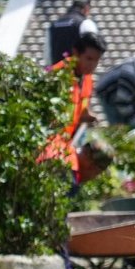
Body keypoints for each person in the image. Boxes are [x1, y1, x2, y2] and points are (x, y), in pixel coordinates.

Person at [39, 31, 109, 189]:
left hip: (64, 144)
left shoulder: (87, 79)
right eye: (89, 59)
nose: (92, 65)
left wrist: (90, 117)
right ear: (76, 52)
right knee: (66, 185)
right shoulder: (58, 76)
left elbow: (81, 109)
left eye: (96, 61)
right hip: (49, 145)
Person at [47, 0, 100, 66]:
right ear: (86, 8)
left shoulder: (53, 25)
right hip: (76, 72)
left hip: (57, 73)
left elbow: (47, 57)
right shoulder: (84, 23)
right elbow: (94, 50)